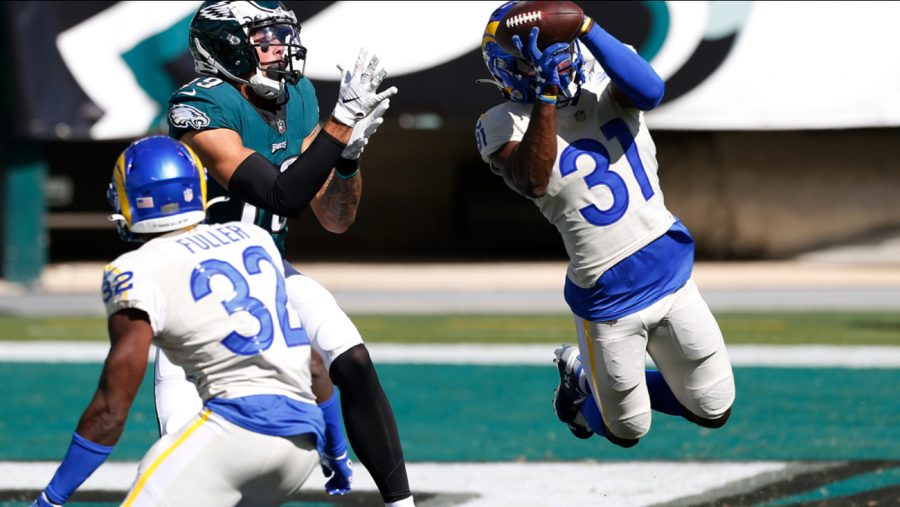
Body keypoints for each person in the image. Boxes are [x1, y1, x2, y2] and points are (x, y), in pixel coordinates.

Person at [164, 2, 414, 505]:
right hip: (197, 284)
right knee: (184, 446)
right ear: (227, 47)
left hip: (270, 268)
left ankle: (400, 503)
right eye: (266, 37)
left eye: (283, 34)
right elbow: (281, 196)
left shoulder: (297, 96)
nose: (281, 47)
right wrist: (340, 124)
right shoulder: (198, 106)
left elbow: (334, 218)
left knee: (354, 359)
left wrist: (347, 160)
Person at [475, 1, 736, 448]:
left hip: (670, 270)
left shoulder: (605, 77)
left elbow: (651, 91)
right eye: (535, 53)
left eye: (555, 45)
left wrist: (587, 26)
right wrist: (547, 95)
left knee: (714, 410)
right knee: (625, 430)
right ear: (510, 69)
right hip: (606, 296)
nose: (550, 57)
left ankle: (591, 377)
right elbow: (533, 179)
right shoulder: (500, 124)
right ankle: (579, 381)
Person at [32, 136, 328, 506]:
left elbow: (111, 410)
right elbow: (314, 364)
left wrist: (51, 497)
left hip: (237, 434)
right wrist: (336, 447)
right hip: (303, 443)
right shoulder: (253, 237)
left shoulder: (134, 269)